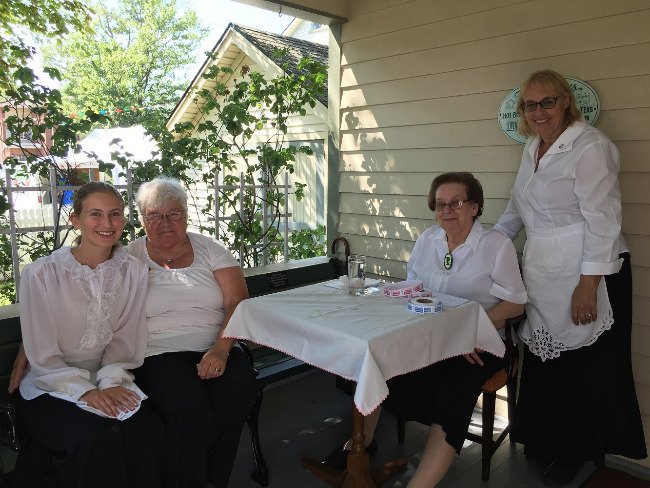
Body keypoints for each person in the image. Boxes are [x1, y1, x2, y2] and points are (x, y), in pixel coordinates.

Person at [324, 172, 527, 487]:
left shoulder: (496, 245)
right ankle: (363, 442)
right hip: (430, 333)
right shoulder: (428, 239)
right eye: (440, 204)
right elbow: (414, 288)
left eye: (455, 203)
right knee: (377, 357)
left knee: (453, 390)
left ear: (475, 206)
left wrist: (465, 333)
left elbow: (515, 305)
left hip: (479, 342)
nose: (446, 211)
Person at [494, 69, 646, 486]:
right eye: (530, 104)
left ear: (566, 102)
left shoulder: (591, 147)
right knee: (547, 363)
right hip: (543, 268)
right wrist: (487, 247)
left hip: (589, 270)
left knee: (584, 367)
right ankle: (544, 440)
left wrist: (588, 285)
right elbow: (515, 208)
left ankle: (577, 452)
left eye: (547, 101)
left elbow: (604, 221)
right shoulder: (531, 147)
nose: (538, 111)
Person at [13, 181, 165, 488]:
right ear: (76, 220)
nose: (107, 224)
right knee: (94, 436)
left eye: (115, 214)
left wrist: (108, 381)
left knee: (144, 429)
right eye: (95, 214)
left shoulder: (133, 271)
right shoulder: (41, 274)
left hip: (108, 375)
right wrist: (84, 391)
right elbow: (42, 353)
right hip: (49, 382)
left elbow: (125, 338)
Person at [127, 177, 257, 488]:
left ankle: (212, 479)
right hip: (158, 352)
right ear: (142, 218)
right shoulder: (129, 257)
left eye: (174, 213)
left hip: (217, 344)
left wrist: (221, 349)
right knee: (188, 405)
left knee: (239, 388)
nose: (165, 222)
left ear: (186, 215)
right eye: (154, 215)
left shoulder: (209, 249)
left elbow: (237, 300)